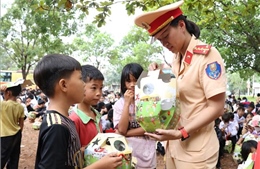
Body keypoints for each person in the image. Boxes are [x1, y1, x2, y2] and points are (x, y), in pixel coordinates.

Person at [134, 1, 226, 168]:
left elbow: (217, 107)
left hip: (197, 150)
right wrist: (157, 75)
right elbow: (176, 95)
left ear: (181, 25)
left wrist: (181, 132)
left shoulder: (208, 56)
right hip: (174, 146)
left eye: (166, 36)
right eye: (160, 40)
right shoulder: (176, 59)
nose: (165, 44)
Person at [33, 54, 122, 169]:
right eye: (80, 79)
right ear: (64, 85)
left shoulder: (63, 119)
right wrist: (100, 166)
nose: (84, 85)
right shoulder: (57, 126)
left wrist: (83, 151)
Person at [113, 63, 157, 169]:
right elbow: (122, 129)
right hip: (129, 156)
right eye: (128, 81)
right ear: (124, 84)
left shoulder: (148, 101)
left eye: (136, 80)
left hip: (148, 156)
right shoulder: (119, 104)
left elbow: (150, 126)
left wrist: (127, 133)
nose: (132, 84)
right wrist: (127, 104)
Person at [69, 64, 104, 147]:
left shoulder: (96, 114)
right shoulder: (74, 119)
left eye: (101, 88)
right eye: (94, 88)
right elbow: (74, 153)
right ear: (81, 86)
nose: (99, 93)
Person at [1, 83, 24, 169]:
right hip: (17, 134)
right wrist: (18, 133)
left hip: (4, 135)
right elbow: (21, 124)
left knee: (2, 157)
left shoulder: (2, 105)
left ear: (8, 93)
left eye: (4, 93)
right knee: (14, 157)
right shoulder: (20, 107)